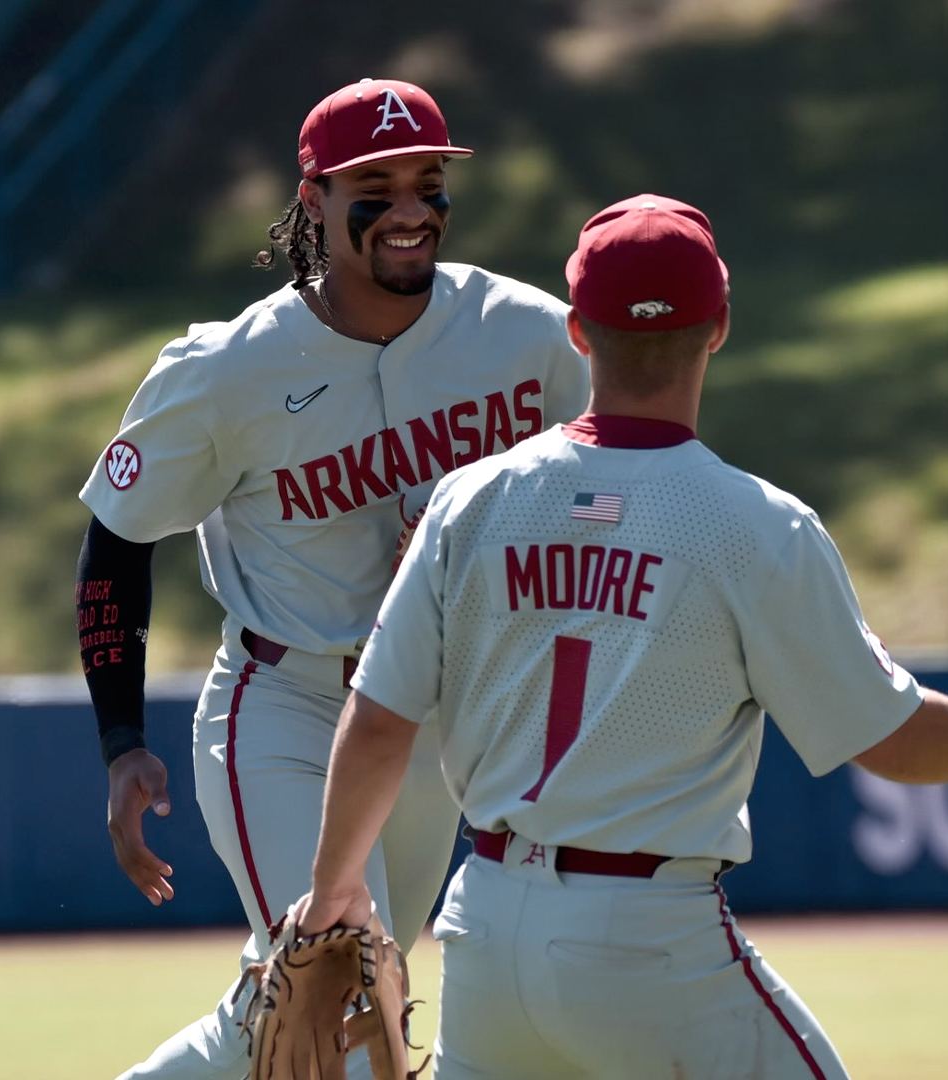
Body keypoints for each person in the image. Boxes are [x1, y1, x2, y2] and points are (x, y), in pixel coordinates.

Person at [297, 194, 948, 1079]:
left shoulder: (472, 500)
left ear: (576, 331)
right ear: (718, 327)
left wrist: (332, 900)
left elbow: (377, 724)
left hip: (485, 927)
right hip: (648, 939)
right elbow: (893, 740)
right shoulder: (754, 526)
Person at [74, 78, 590, 1080]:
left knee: (274, 1011)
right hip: (289, 707)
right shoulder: (229, 370)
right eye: (377, 184)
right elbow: (116, 537)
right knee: (348, 1010)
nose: (410, 207)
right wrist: (121, 740)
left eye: (428, 182)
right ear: (311, 199)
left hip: (428, 722)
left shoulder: (526, 335)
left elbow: (606, 481)